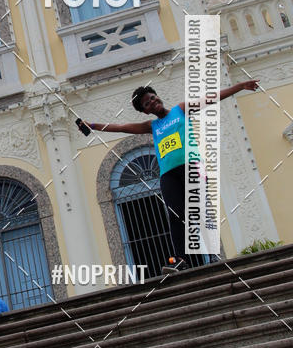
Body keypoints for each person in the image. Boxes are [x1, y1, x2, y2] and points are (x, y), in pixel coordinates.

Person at [75, 79, 259, 271]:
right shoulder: (151, 126)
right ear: (145, 110)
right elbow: (121, 127)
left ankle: (213, 254)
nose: (153, 102)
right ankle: (181, 259)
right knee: (175, 215)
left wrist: (239, 87)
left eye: (153, 98)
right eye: (148, 103)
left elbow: (210, 99)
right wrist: (92, 125)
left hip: (192, 166)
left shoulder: (180, 110)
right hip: (168, 174)